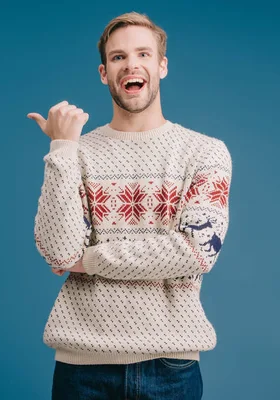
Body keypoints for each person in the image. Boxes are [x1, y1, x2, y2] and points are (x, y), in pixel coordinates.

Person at [28, 11, 232, 400]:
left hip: (170, 366)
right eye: (119, 57)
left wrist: (88, 260)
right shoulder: (77, 152)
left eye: (143, 53)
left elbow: (197, 250)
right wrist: (62, 147)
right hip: (80, 366)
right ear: (105, 73)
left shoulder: (204, 152)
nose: (131, 64)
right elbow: (57, 250)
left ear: (162, 65)